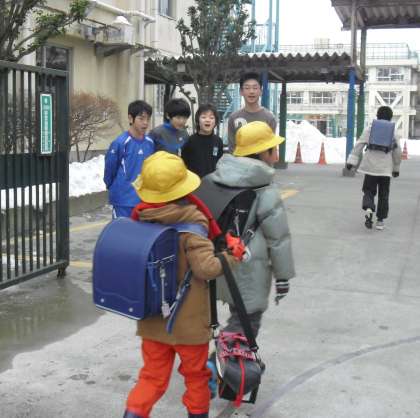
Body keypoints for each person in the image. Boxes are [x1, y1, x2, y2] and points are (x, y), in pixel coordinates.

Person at [124, 151, 242, 418]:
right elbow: (206, 268)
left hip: (153, 321)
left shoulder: (141, 220)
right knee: (196, 377)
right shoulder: (192, 224)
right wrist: (232, 256)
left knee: (151, 377)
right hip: (188, 326)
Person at [208, 121, 295, 338]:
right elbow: (278, 238)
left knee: (238, 314)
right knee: (246, 325)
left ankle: (228, 354)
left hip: (223, 261)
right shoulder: (265, 190)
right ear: (262, 153)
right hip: (251, 268)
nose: (276, 155)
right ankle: (226, 357)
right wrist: (283, 276)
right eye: (273, 149)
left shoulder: (218, 179)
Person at [346, 106, 402, 230]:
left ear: (377, 116)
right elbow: (397, 152)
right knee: (384, 194)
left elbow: (359, 145)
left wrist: (351, 161)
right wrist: (396, 168)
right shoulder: (393, 132)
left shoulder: (370, 129)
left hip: (370, 167)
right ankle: (380, 220)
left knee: (368, 190)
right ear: (390, 117)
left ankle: (369, 207)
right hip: (385, 169)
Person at [103, 100, 154, 218]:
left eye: (148, 119)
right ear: (131, 118)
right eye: (141, 119)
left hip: (144, 200)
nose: (145, 123)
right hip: (123, 202)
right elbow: (109, 170)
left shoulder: (150, 143)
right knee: (121, 229)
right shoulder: (120, 143)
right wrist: (115, 187)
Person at [227, 72, 277, 154]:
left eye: (255, 88)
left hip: (262, 162)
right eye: (247, 88)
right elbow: (232, 148)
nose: (251, 91)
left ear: (261, 91)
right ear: (241, 91)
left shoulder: (269, 118)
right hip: (239, 161)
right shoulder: (233, 118)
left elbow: (271, 149)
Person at [182, 103, 224, 178]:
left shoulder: (218, 141)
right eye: (203, 117)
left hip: (212, 181)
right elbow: (184, 163)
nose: (207, 120)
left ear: (215, 122)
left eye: (211, 118)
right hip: (194, 181)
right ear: (198, 120)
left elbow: (220, 163)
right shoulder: (190, 141)